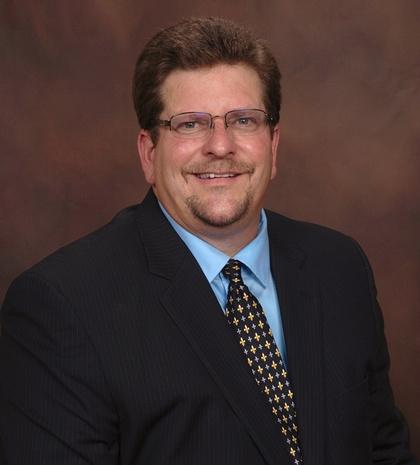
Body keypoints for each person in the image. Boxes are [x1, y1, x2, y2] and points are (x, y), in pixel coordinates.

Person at [0, 16, 417, 465]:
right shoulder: (61, 307)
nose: (220, 145)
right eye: (190, 124)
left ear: (273, 144)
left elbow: (384, 451)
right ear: (149, 152)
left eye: (244, 120)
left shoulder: (340, 267)